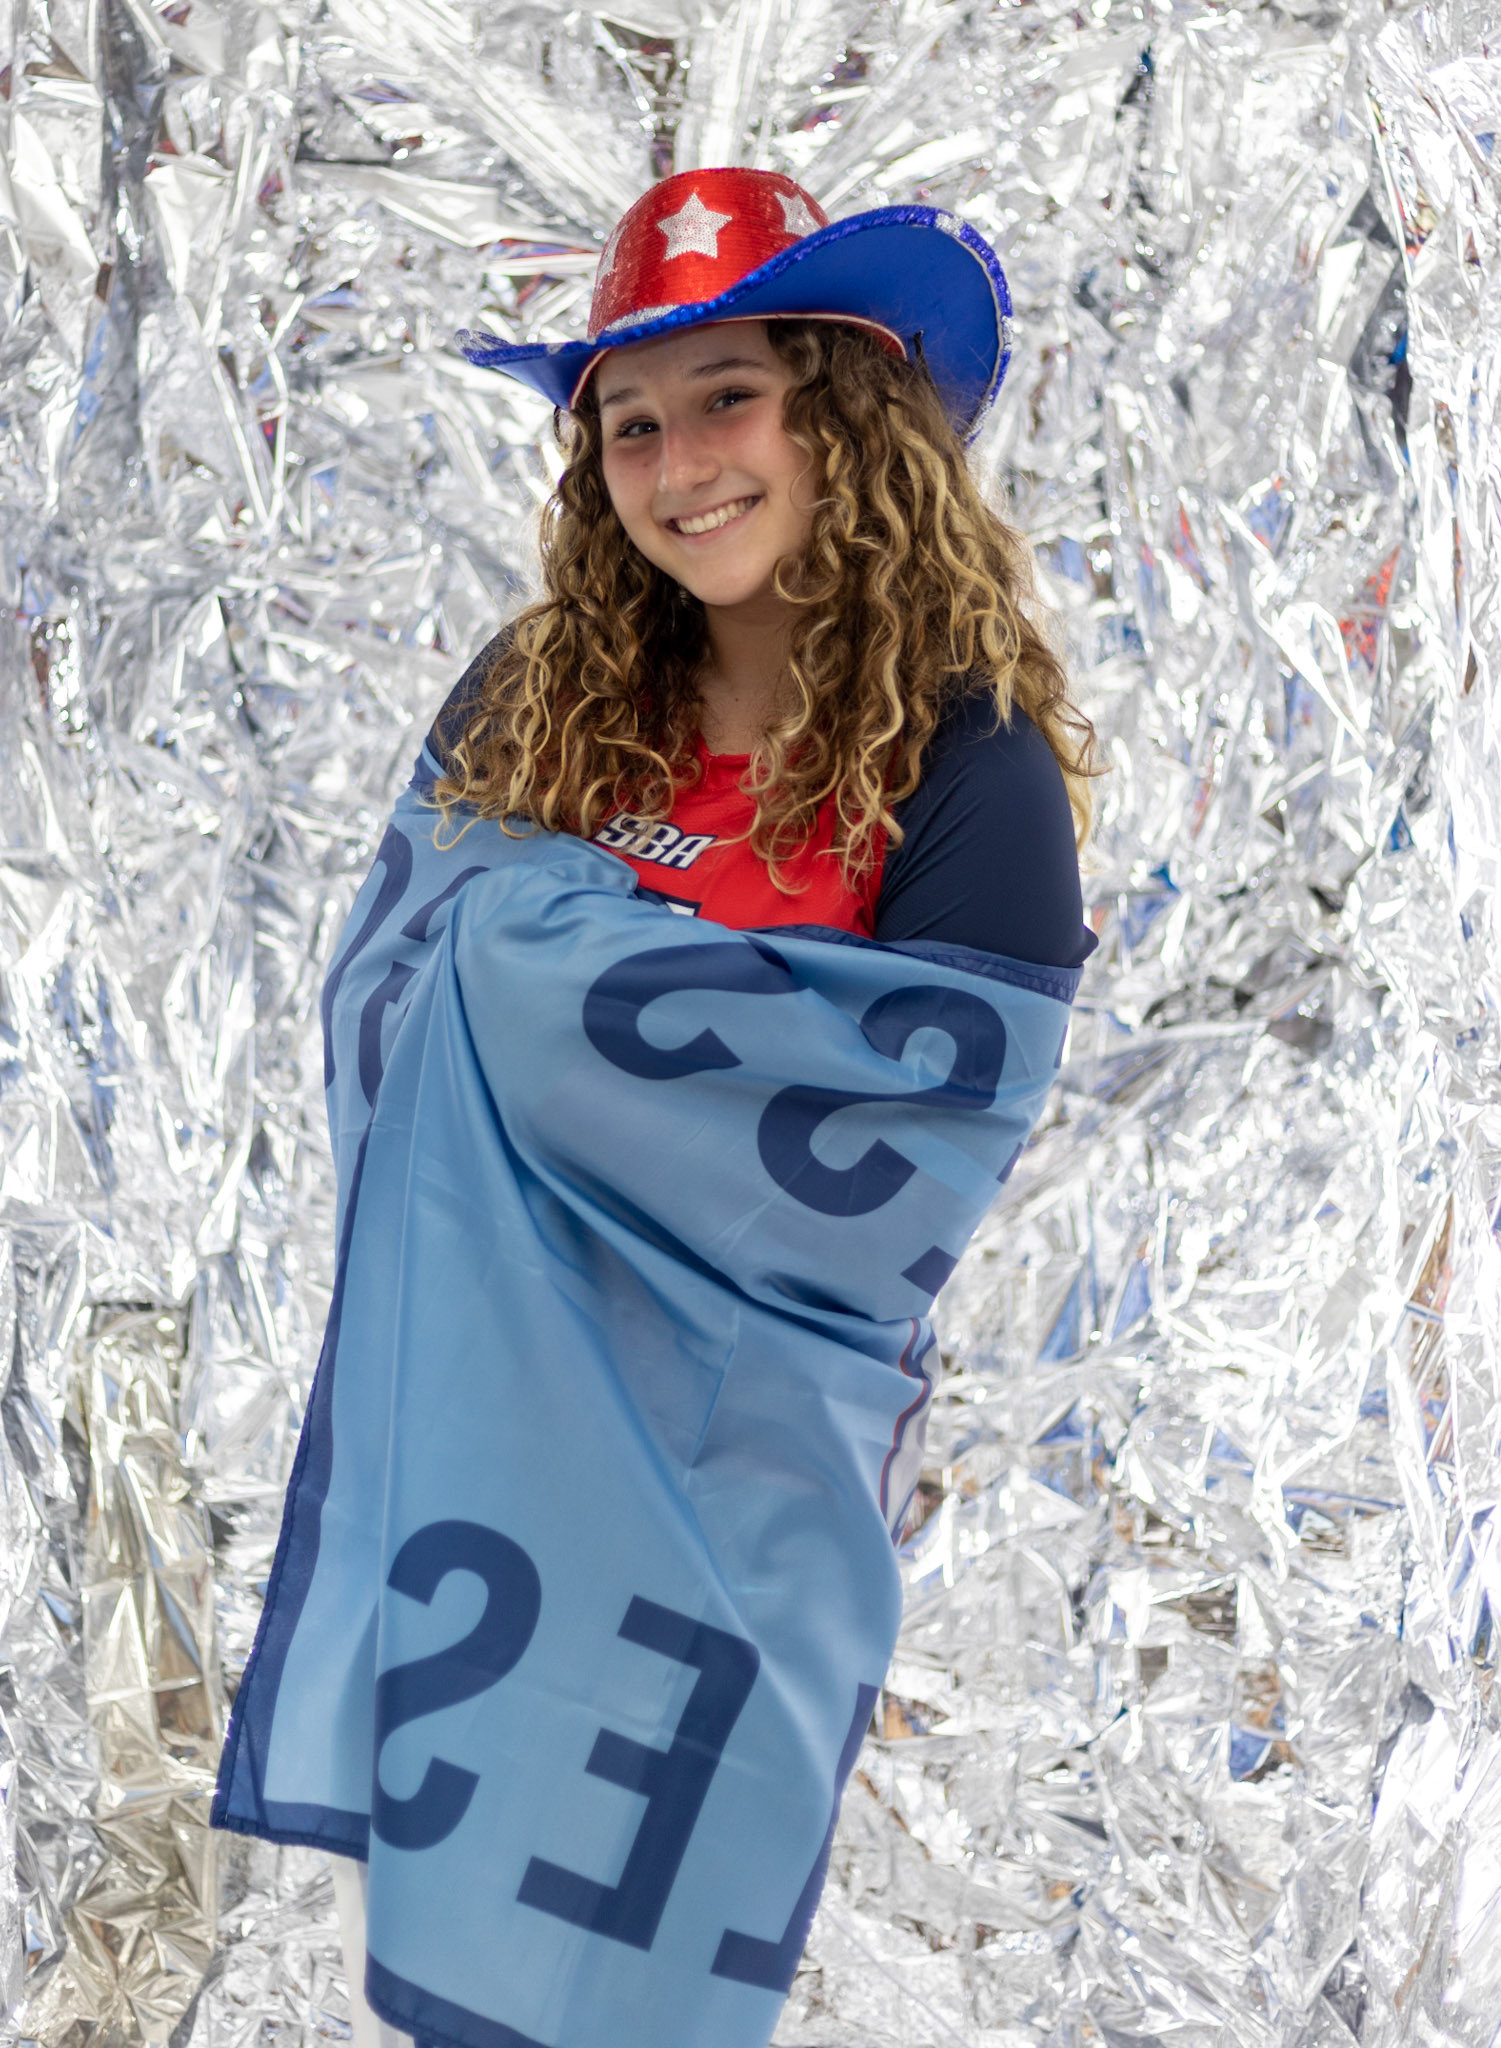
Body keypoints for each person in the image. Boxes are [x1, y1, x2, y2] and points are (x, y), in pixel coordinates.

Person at [213, 167, 1096, 2048]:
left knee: (663, 1980)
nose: (676, 459)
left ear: (845, 418)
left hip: (742, 1505)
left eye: (727, 396)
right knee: (458, 1974)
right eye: (628, 420)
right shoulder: (536, 697)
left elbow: (929, 1152)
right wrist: (617, 1006)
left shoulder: (966, 758)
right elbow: (387, 999)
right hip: (492, 1490)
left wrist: (550, 974)